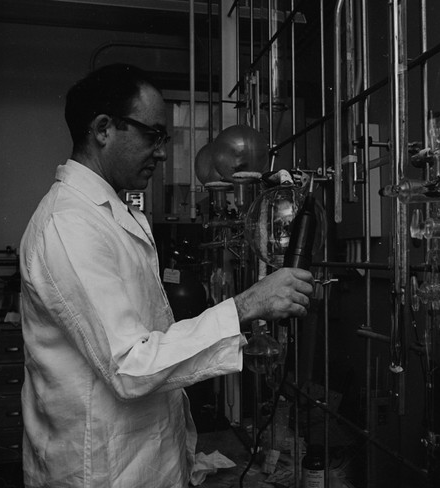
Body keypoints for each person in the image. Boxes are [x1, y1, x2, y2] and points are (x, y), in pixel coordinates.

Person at [19, 63, 314, 488]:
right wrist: (246, 305)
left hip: (144, 458)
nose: (162, 152)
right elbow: (129, 364)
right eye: (152, 135)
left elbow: (148, 338)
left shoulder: (116, 214)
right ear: (103, 129)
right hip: (98, 470)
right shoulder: (69, 225)